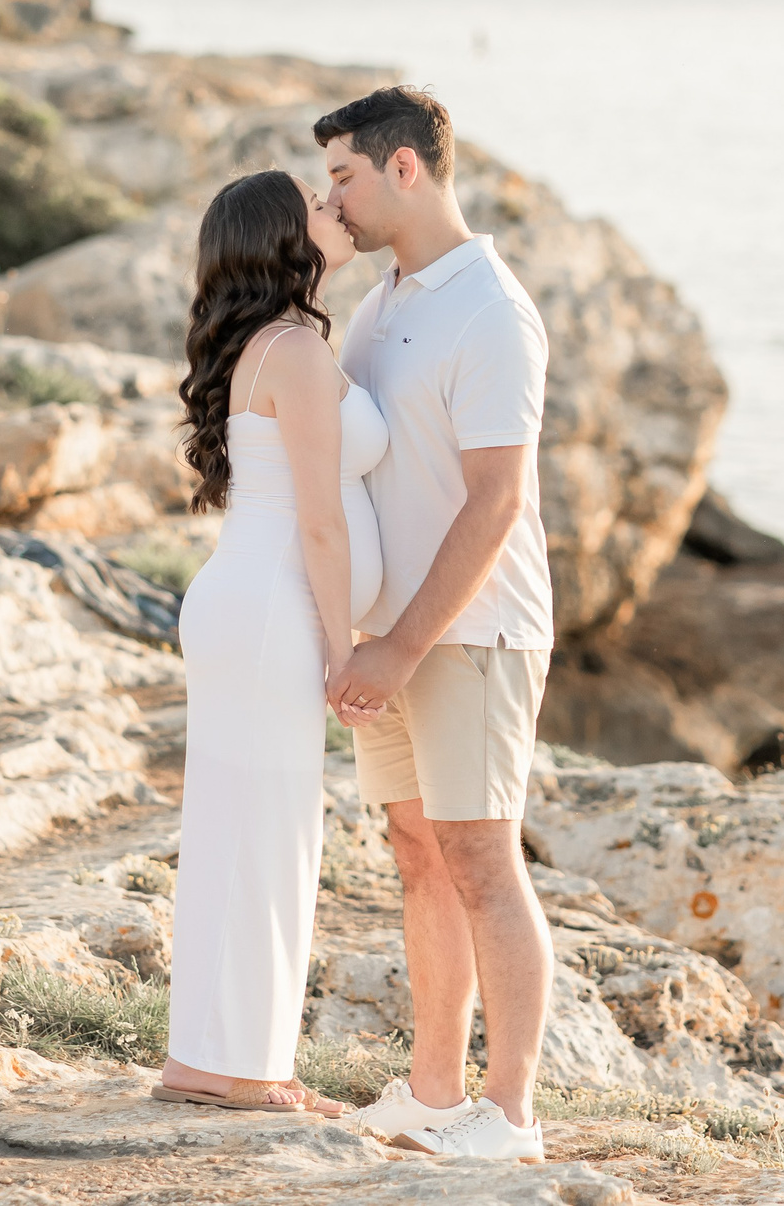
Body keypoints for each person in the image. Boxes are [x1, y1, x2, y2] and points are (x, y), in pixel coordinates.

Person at [317, 86, 556, 1163]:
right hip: (389, 633)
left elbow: (495, 502)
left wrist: (401, 643)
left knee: (478, 854)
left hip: (471, 631)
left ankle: (508, 1115)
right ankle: (429, 1091)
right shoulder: (380, 301)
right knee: (416, 852)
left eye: (345, 177)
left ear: (403, 167)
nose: (335, 198)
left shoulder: (490, 310)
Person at [155, 170, 389, 1115]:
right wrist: (346, 648)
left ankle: (209, 1061)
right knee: (271, 835)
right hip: (270, 613)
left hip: (242, 602)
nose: (336, 210)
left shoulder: (276, 343)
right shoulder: (292, 351)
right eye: (318, 206)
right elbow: (323, 523)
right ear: (285, 239)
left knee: (229, 832)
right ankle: (246, 1069)